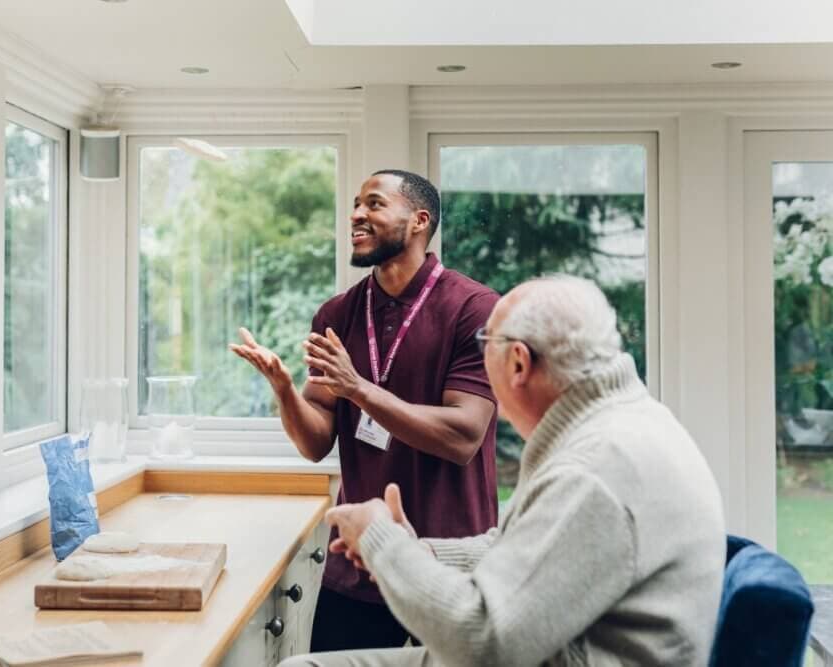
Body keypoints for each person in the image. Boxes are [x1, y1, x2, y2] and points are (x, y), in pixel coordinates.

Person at [282, 275, 726, 667]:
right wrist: (424, 552)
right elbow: (534, 547)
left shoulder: (592, 469)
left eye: (483, 346)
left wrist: (383, 543)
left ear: (517, 363)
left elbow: (483, 644)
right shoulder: (624, 423)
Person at [230, 170, 500, 652]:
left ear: (419, 220)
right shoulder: (337, 314)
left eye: (374, 204)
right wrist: (286, 391)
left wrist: (358, 388)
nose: (357, 214)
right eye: (356, 204)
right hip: (356, 568)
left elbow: (463, 437)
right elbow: (315, 443)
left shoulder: (475, 308)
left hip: (448, 568)